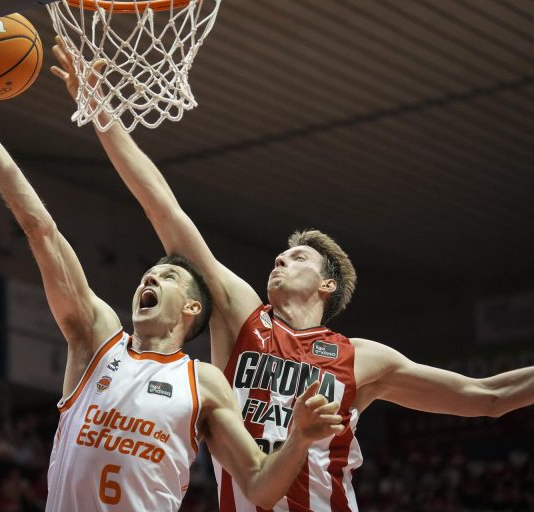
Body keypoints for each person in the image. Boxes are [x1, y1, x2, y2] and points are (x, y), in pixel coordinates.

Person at [49, 38, 534, 512]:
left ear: (327, 285)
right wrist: (100, 111)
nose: (281, 260)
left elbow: (487, 396)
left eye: (299, 257)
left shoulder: (361, 359)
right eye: (280, 256)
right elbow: (163, 209)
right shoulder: (242, 316)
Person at [0, 60, 344, 512]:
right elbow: (41, 230)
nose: (151, 277)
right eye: (148, 275)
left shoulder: (204, 383)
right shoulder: (96, 340)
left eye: (168, 276)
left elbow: (258, 485)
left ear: (192, 308)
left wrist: (298, 440)